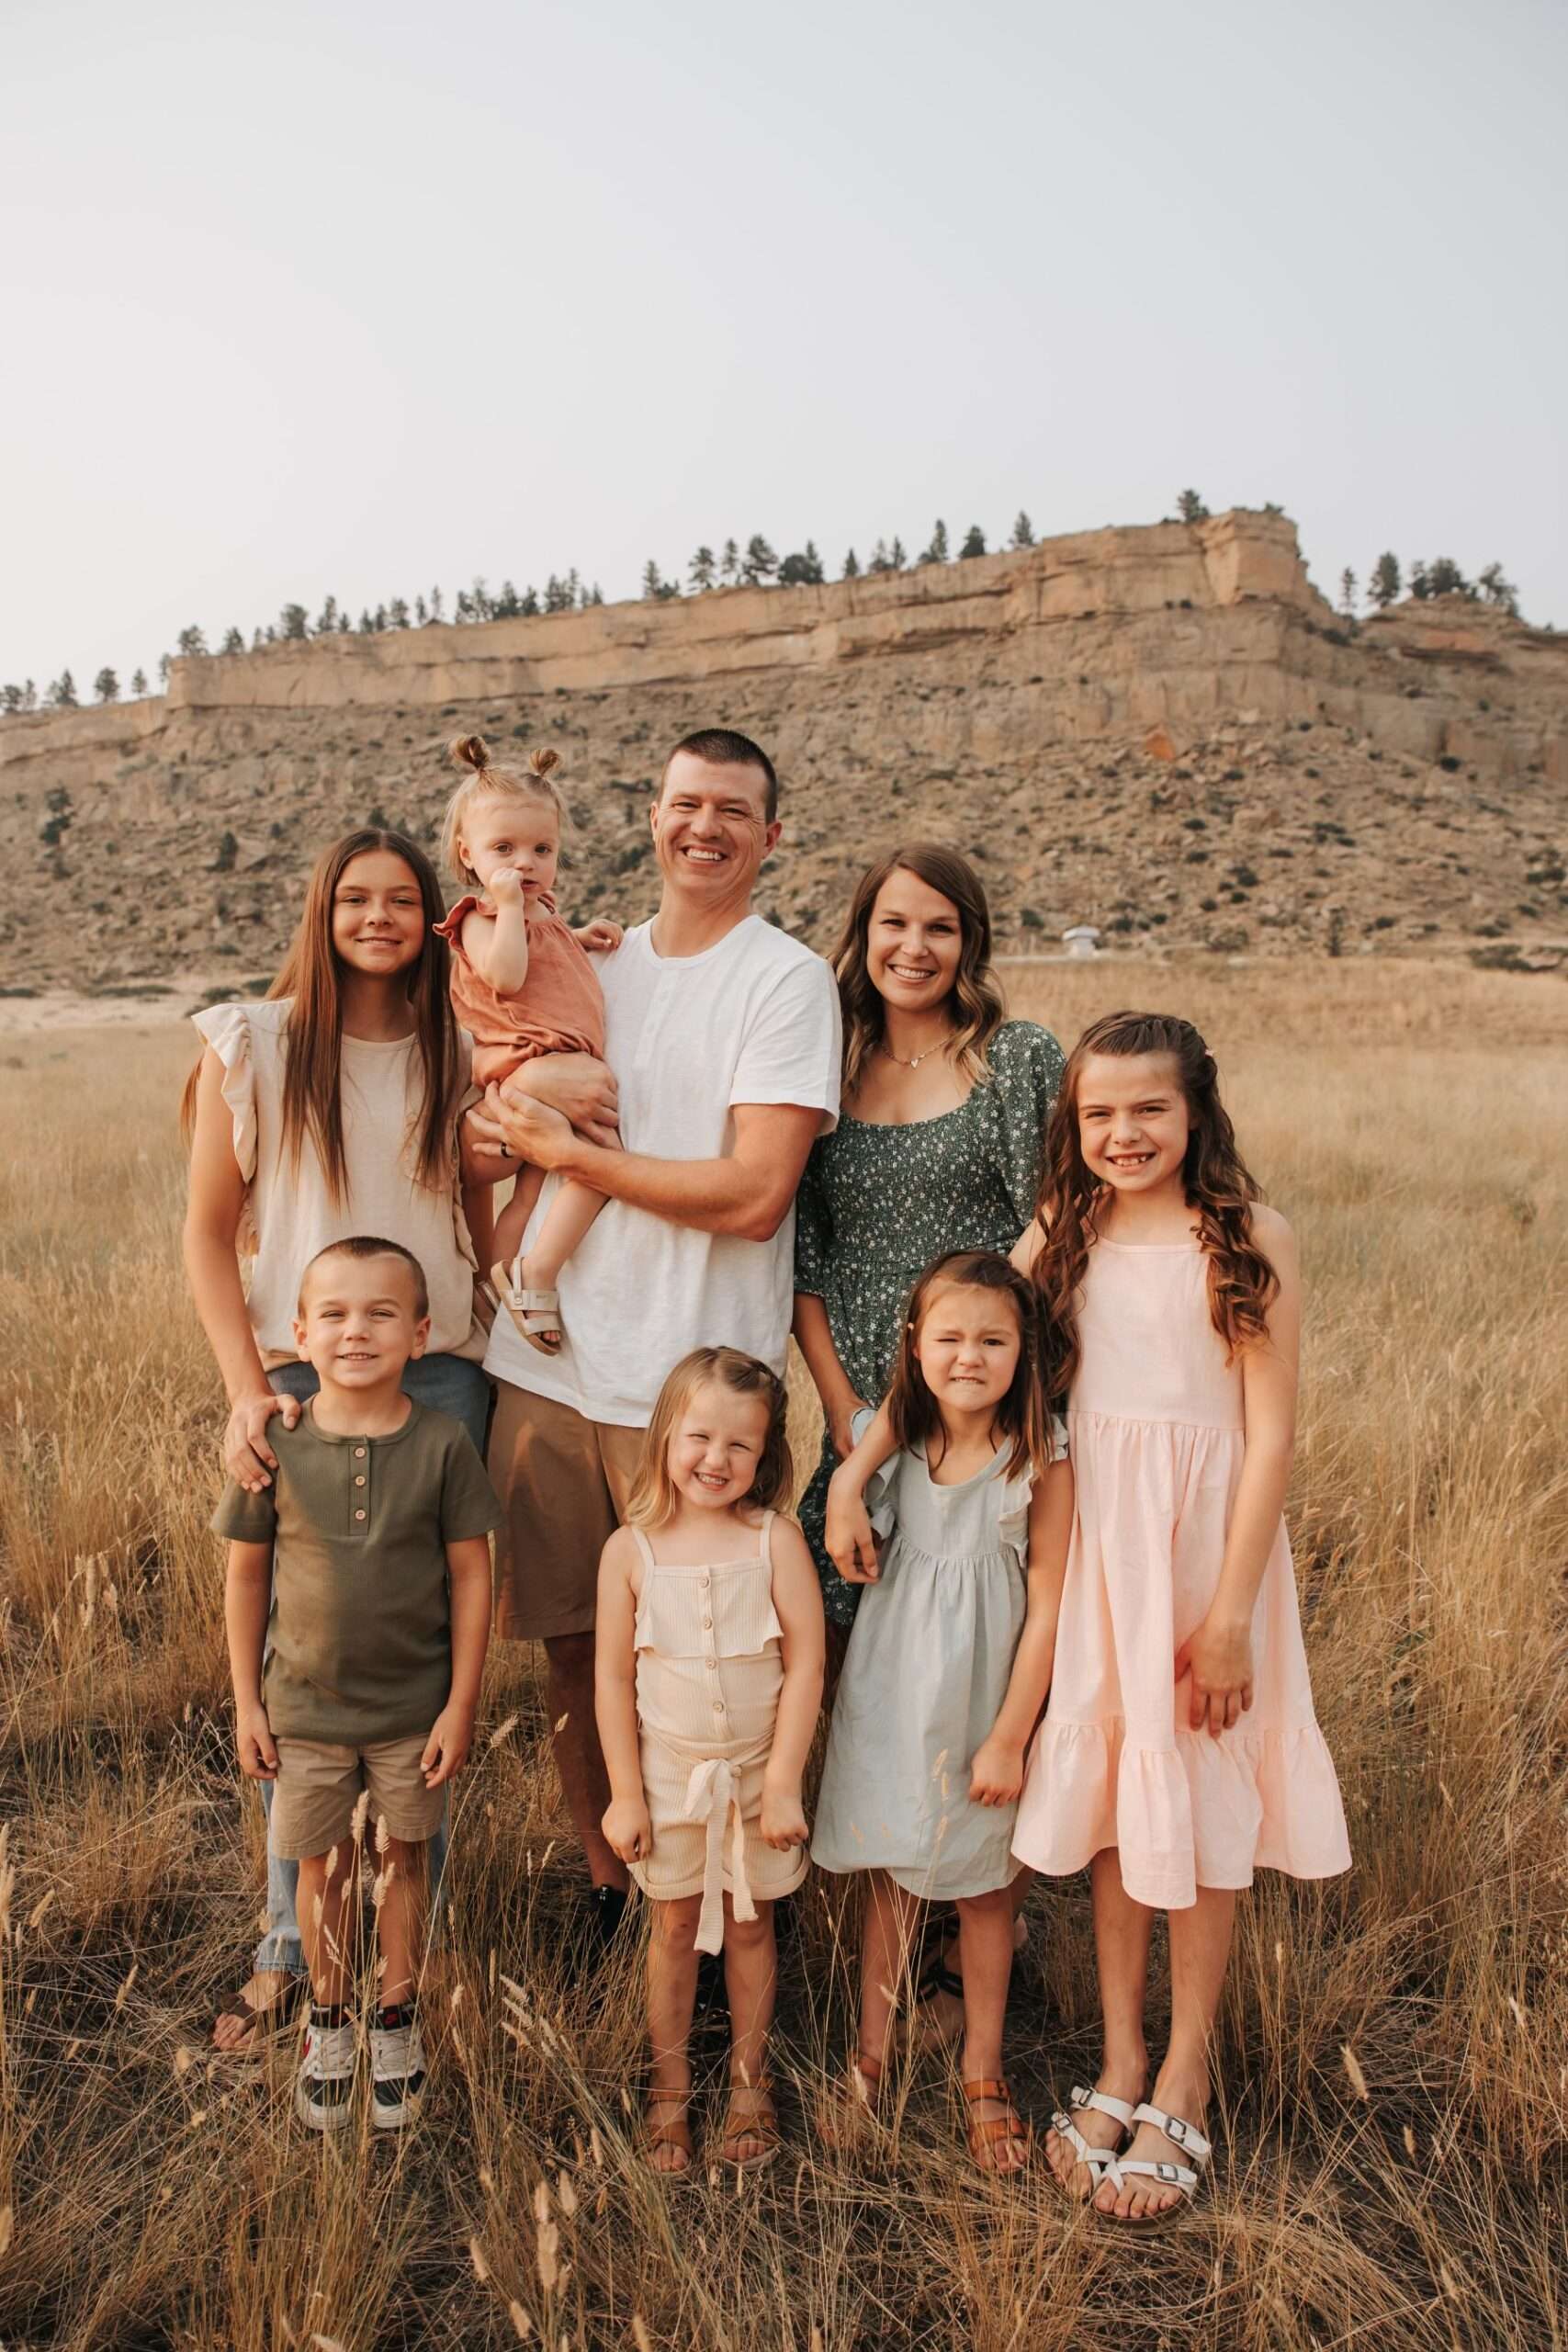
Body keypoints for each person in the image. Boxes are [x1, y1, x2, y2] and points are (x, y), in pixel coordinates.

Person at [183, 826, 595, 2049]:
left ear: (434, 918)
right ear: (322, 912)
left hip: (445, 1374)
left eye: (402, 899)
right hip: (300, 1376)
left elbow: (487, 1194)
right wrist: (245, 1390)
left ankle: (412, 1951)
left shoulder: (456, 1048)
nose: (377, 917)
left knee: (419, 1657)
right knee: (303, 1653)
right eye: (355, 898)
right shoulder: (254, 1043)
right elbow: (207, 1233)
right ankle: (287, 1939)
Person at [467, 729, 840, 1951]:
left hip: (691, 1388)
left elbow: (755, 1194)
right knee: (575, 1649)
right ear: (650, 815)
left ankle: (725, 1908)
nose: (703, 828)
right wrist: (510, 1130)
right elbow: (488, 1095)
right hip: (546, 1367)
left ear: (769, 836)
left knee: (709, 1667)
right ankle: (611, 1888)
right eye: (685, 803)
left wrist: (573, 1158)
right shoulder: (587, 962)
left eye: (732, 810)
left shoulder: (784, 981)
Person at [1010, 1012, 1350, 2220]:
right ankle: (1118, 2059)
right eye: (1097, 1113)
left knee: (1202, 1807)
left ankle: (1185, 2073)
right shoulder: (1062, 1230)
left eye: (1148, 1108)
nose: (1122, 1133)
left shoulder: (1248, 1237)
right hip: (1105, 1551)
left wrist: (1228, 1615)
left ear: (1195, 1110)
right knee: (1118, 1796)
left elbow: (1269, 1438)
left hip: (1211, 1559)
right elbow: (974, 1339)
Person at [215, 1237, 498, 2130]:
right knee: (324, 1867)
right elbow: (246, 1577)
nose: (356, 1331)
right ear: (299, 1334)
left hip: (414, 1711)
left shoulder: (443, 1444)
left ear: (420, 1333)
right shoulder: (278, 1444)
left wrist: (459, 1705)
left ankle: (397, 2019)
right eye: (333, 1314)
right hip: (304, 1711)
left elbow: (473, 1577)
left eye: (380, 1313)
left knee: (403, 1859)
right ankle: (329, 2020)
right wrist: (247, 1701)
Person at [812, 1251, 1074, 2176]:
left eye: (993, 1340)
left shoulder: (1039, 1454)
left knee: (984, 1890)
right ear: (915, 1345)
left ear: (1024, 1350)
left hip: (983, 1699)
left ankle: (983, 2071)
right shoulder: (902, 1435)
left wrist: (1010, 1734)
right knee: (892, 1876)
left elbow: (1049, 1603)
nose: (970, 1356)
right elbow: (878, 1420)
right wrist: (846, 1483)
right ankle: (869, 2056)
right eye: (949, 1338)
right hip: (895, 1690)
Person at [792, 846, 1065, 1645]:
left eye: (939, 928)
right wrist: (842, 1408)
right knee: (845, 1624)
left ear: (969, 943)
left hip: (984, 1395)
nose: (914, 948)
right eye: (894, 924)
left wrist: (954, 1359)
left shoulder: (1012, 1058)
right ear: (862, 933)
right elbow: (804, 1262)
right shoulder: (822, 1065)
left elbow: (1058, 1214)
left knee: (978, 1632)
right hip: (861, 1397)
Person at [595, 1348, 824, 2175]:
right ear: (665, 1435)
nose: (715, 1459)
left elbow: (806, 1663)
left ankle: (749, 2084)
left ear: (766, 1455)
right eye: (698, 1437)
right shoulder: (631, 1550)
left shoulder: (774, 1541)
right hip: (668, 1780)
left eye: (739, 1445)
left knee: (753, 1926)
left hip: (758, 1776)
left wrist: (783, 1781)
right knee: (674, 1927)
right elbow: (610, 1681)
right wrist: (625, 1795)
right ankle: (668, 2089)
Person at [434, 736, 624, 1354]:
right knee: (603, 1162)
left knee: (534, 1192)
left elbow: (545, 957)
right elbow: (508, 975)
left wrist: (578, 935)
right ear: (468, 854)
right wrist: (512, 904)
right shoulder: (479, 916)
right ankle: (536, 1272)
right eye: (504, 849)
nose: (526, 863)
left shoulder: (541, 914)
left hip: (554, 1070)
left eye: (542, 849)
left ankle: (497, 1290)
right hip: (529, 1066)